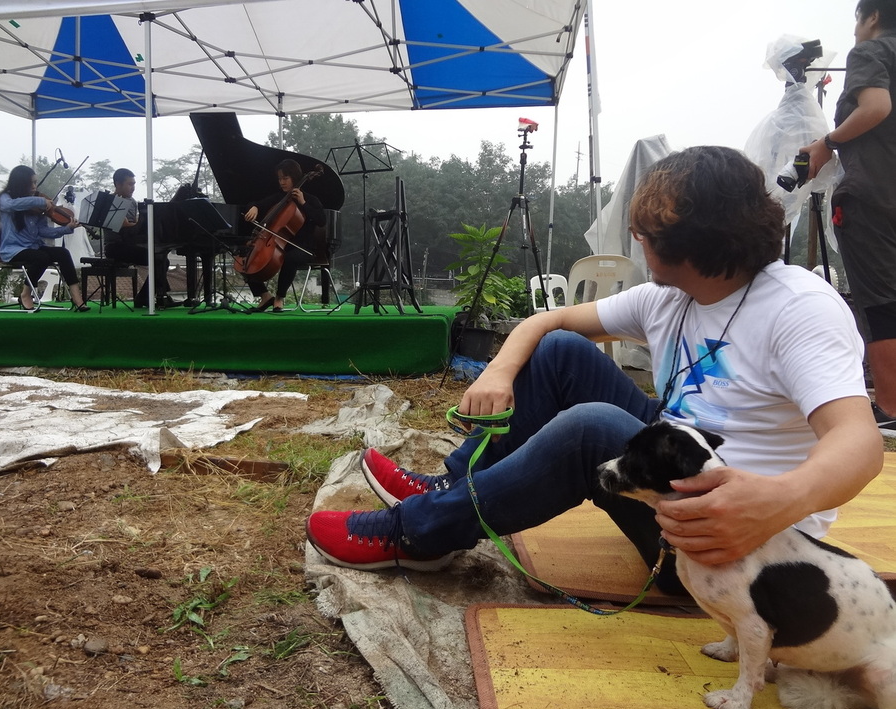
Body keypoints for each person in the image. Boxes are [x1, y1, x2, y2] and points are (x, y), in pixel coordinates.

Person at [306, 146, 883, 593]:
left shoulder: (798, 308)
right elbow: (547, 322)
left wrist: (778, 500)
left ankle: (419, 534)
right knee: (560, 352)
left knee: (594, 428)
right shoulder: (671, 296)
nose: (637, 245)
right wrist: (499, 372)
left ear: (691, 243)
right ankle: (454, 488)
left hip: (733, 543)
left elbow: (859, 442)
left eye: (645, 236)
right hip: (676, 461)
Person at [800, 0, 896, 434]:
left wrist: (827, 142)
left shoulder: (873, 52)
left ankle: (891, 407)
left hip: (875, 199)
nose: (856, 29)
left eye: (857, 18)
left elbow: (875, 107)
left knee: (882, 302)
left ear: (872, 16)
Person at [0, 165, 89, 312]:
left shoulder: (36, 208)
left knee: (63, 253)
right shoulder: (5, 198)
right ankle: (26, 294)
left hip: (33, 246)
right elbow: (11, 205)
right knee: (41, 257)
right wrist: (39, 201)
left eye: (35, 183)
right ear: (21, 183)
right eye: (31, 183)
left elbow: (43, 231)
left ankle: (78, 298)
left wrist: (67, 228)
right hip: (13, 249)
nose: (34, 187)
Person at [240, 159, 325, 312]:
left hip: (303, 248)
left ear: (295, 177)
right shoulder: (279, 198)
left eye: (285, 178)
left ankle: (279, 297)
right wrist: (254, 207)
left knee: (290, 258)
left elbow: (321, 220)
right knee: (244, 257)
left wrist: (303, 203)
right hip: (277, 244)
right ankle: (265, 296)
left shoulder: (311, 200)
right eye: (279, 179)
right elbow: (258, 203)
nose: (282, 182)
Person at [103, 168, 180, 310]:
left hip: (130, 243)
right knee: (159, 259)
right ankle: (151, 296)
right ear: (118, 184)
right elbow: (124, 225)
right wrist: (139, 223)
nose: (133, 188)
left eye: (134, 184)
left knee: (161, 259)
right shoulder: (109, 202)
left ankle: (147, 296)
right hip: (115, 247)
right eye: (129, 184)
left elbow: (133, 224)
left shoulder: (132, 202)